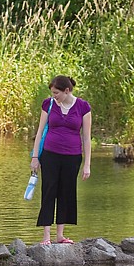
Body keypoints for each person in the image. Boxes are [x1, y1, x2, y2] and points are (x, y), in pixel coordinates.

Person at [30, 75, 91, 245]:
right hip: (50, 155)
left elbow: (86, 138)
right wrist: (35, 157)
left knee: (66, 192)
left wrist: (87, 164)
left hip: (72, 157)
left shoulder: (83, 107)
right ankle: (46, 237)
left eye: (56, 93)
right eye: (52, 92)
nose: (54, 95)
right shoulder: (48, 104)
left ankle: (60, 235)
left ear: (67, 91)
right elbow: (40, 131)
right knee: (49, 191)